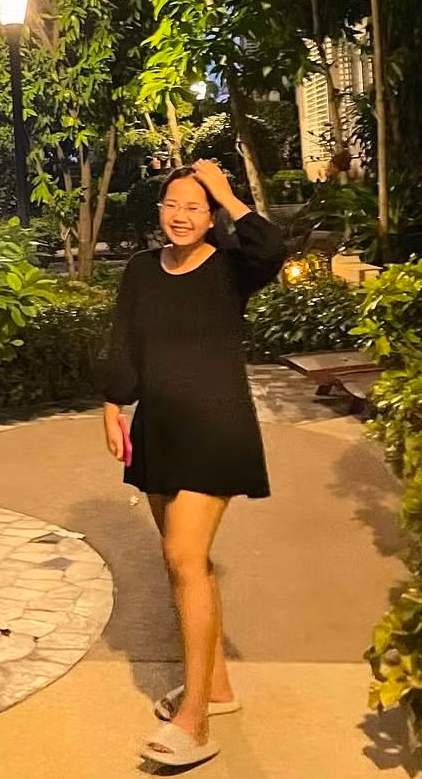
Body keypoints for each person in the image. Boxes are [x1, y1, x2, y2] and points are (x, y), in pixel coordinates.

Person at [102, 158, 285, 768]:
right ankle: (218, 687)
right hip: (159, 431)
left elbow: (270, 245)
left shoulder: (232, 269)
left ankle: (196, 720)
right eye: (173, 205)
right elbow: (124, 340)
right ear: (159, 210)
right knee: (186, 563)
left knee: (184, 559)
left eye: (194, 207)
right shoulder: (141, 270)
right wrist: (112, 405)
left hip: (215, 431)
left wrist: (227, 192)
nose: (181, 216)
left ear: (210, 217)